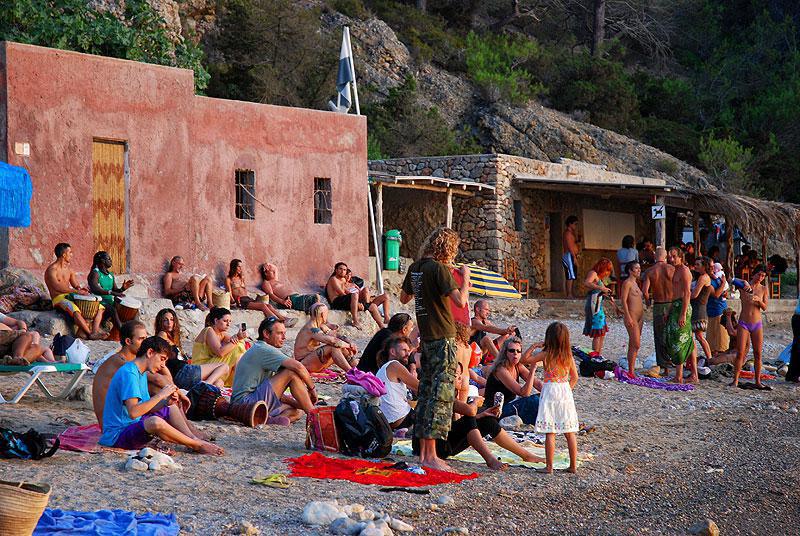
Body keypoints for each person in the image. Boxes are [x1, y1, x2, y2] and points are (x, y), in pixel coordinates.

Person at [400, 226, 470, 472]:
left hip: (427, 338)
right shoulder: (439, 269)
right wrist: (465, 279)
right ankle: (431, 456)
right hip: (443, 338)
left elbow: (403, 299)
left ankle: (425, 453)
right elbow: (460, 301)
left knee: (427, 393)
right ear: (448, 248)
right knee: (440, 396)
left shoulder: (416, 268)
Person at [98, 336, 223, 455]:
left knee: (170, 406)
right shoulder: (129, 373)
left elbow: (145, 407)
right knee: (155, 422)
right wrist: (160, 395)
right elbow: (133, 412)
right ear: (150, 352)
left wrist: (165, 402)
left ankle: (193, 438)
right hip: (118, 435)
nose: (163, 365)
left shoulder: (140, 372)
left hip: (132, 424)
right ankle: (195, 444)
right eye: (162, 359)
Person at [231, 317, 317, 425]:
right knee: (291, 372)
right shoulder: (263, 349)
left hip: (252, 400)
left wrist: (299, 404)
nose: (284, 337)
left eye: (284, 333)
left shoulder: (261, 348)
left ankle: (266, 419)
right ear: (266, 334)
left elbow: (277, 393)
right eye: (280, 333)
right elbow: (298, 367)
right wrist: (312, 389)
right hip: (245, 403)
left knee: (298, 411)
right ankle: (315, 417)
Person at [528, 322, 579, 474]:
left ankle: (549, 466)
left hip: (550, 389)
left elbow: (526, 360)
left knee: (550, 431)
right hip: (564, 389)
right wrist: (566, 391)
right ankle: (573, 466)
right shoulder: (568, 355)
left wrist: (533, 346)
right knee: (569, 431)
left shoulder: (546, 354)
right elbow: (574, 378)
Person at [154, 308, 229, 390]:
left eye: (172, 320)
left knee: (219, 382)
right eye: (165, 320)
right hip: (182, 372)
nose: (169, 323)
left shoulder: (172, 338)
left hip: (183, 374)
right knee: (224, 366)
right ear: (160, 323)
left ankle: (205, 390)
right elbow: (161, 359)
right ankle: (206, 384)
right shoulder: (162, 334)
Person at [44, 242, 106, 339]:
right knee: (75, 309)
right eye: (70, 252)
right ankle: (89, 334)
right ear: (64, 255)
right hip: (58, 299)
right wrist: (76, 292)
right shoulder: (52, 270)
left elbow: (75, 285)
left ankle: (95, 331)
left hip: (70, 296)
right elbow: (58, 287)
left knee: (100, 307)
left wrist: (80, 289)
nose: (72, 255)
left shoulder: (70, 270)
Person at [93, 320, 149, 425]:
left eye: (146, 339)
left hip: (120, 417)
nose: (145, 343)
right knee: (163, 399)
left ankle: (190, 436)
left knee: (168, 407)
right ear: (128, 341)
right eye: (141, 339)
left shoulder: (131, 362)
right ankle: (189, 438)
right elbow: (156, 378)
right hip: (112, 424)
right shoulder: (119, 361)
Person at [483, 337, 542, 424]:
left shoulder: (518, 366)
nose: (515, 353)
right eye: (512, 351)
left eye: (518, 351)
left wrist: (553, 394)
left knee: (543, 397)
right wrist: (532, 370)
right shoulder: (501, 369)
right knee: (532, 401)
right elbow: (524, 393)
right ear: (505, 353)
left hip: (510, 404)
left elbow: (538, 384)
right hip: (496, 410)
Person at [225, 259, 296, 327]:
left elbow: (244, 290)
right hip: (240, 301)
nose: (241, 268)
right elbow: (229, 292)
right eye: (239, 266)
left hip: (247, 299)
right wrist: (234, 302)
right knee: (263, 306)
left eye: (241, 266)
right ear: (234, 267)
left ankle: (284, 319)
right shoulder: (229, 279)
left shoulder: (242, 278)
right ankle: (276, 322)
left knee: (269, 306)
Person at [731, 266, 769, 389]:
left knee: (758, 353)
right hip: (744, 323)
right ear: (753, 274)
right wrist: (743, 282)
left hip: (757, 324)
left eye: (763, 276)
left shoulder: (763, 289)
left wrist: (759, 300)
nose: (760, 278)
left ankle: (757, 381)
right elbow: (729, 279)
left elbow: (765, 307)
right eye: (759, 274)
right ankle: (735, 380)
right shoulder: (744, 286)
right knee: (740, 352)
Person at [664, 247, 698, 384]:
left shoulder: (684, 271)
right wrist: (669, 310)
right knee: (685, 340)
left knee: (679, 340)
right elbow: (675, 293)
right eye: (669, 256)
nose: (671, 259)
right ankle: (693, 374)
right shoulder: (675, 270)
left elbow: (687, 294)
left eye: (673, 256)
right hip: (676, 305)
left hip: (683, 307)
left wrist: (683, 314)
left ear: (680, 257)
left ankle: (679, 375)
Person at [191, 307, 247, 387]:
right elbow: (220, 352)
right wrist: (237, 338)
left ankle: (238, 383)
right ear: (216, 320)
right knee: (237, 348)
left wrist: (238, 337)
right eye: (225, 321)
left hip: (213, 367)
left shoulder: (222, 334)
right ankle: (240, 383)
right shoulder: (208, 330)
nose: (228, 324)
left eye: (229, 321)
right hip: (201, 368)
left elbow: (235, 342)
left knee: (219, 383)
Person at [293, 303, 357, 373]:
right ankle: (352, 373)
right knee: (333, 347)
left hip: (313, 361)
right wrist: (349, 346)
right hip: (304, 364)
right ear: (322, 315)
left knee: (342, 347)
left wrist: (350, 343)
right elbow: (333, 341)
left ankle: (358, 369)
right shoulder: (311, 328)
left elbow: (336, 335)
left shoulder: (320, 325)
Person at [326, 262, 389, 329]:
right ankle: (355, 321)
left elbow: (346, 291)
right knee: (355, 295)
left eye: (344, 270)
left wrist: (360, 302)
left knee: (372, 306)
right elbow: (341, 293)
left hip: (345, 300)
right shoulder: (333, 279)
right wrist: (356, 301)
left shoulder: (343, 279)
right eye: (340, 269)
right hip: (336, 302)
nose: (342, 271)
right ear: (336, 270)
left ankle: (382, 327)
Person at [642, 247, 674, 375]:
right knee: (672, 335)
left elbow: (645, 291)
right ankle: (676, 365)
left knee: (660, 336)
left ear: (655, 256)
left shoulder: (650, 271)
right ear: (665, 257)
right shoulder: (672, 269)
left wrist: (648, 302)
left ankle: (665, 368)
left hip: (659, 305)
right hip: (671, 304)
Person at [376, 336, 419, 430]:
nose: (408, 354)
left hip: (390, 421)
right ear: (392, 352)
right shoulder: (394, 365)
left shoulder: (384, 368)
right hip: (402, 419)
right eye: (404, 350)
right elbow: (421, 387)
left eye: (408, 350)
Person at [88, 251, 134, 330]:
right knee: (112, 309)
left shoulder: (110, 275)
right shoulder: (95, 273)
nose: (111, 260)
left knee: (125, 306)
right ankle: (122, 330)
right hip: (98, 301)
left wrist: (123, 288)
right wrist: (111, 292)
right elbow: (95, 289)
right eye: (109, 259)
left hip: (109, 301)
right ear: (103, 261)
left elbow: (115, 290)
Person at [583, 258, 618, 356]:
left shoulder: (599, 277)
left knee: (602, 332)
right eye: (607, 270)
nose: (607, 273)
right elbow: (587, 283)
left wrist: (607, 295)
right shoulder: (593, 273)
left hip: (599, 305)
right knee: (597, 332)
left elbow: (599, 292)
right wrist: (601, 288)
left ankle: (598, 354)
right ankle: (595, 355)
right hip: (594, 306)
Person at [469, 300, 517, 364]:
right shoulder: (474, 322)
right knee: (487, 339)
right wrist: (505, 330)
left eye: (488, 310)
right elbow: (488, 328)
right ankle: (501, 361)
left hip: (486, 353)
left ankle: (513, 356)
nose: (488, 312)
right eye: (486, 310)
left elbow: (497, 330)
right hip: (476, 356)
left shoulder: (485, 322)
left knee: (507, 335)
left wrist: (508, 331)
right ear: (477, 309)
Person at [620, 261, 643, 378]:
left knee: (633, 344)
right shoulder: (627, 283)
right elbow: (623, 300)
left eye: (639, 268)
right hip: (632, 316)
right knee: (636, 343)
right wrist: (627, 315)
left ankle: (631, 370)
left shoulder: (636, 284)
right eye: (636, 268)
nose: (639, 270)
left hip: (640, 317)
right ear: (630, 270)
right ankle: (631, 369)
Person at [691, 257, 713, 364]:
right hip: (699, 308)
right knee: (698, 337)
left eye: (698, 264)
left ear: (704, 266)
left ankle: (708, 359)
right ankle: (708, 359)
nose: (695, 266)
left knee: (697, 337)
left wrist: (682, 297)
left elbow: (695, 294)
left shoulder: (703, 278)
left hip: (698, 309)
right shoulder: (703, 277)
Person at [705, 263, 730, 357]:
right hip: (712, 310)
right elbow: (716, 295)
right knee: (713, 340)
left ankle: (718, 358)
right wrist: (723, 283)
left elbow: (723, 293)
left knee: (721, 341)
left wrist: (725, 291)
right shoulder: (708, 280)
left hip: (720, 309)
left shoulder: (718, 278)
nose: (713, 269)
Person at [562, 215, 580, 298]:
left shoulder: (572, 233)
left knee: (572, 275)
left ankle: (571, 293)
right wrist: (574, 258)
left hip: (571, 255)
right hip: (569, 256)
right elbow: (570, 247)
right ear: (570, 224)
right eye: (575, 224)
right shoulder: (567, 233)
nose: (576, 226)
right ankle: (569, 293)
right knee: (570, 275)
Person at [787, 296, 800, 383]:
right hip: (798, 319)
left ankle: (792, 375)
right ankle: (793, 375)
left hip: (797, 318)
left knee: (796, 347)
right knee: (797, 348)